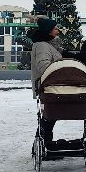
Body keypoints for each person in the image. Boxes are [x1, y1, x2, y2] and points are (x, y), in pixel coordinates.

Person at [29, 16, 64, 146]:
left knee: (49, 118)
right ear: (48, 30)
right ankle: (44, 144)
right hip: (48, 86)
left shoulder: (46, 44)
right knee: (49, 117)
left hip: (50, 86)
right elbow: (43, 66)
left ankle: (44, 143)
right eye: (55, 28)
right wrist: (61, 72)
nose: (58, 31)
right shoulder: (43, 46)